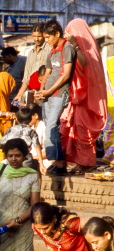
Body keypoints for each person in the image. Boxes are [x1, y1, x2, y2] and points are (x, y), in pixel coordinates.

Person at [60, 18, 108, 174]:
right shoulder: (72, 49)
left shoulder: (89, 52)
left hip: (86, 99)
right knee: (73, 130)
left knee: (83, 131)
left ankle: (88, 162)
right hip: (74, 96)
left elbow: (84, 64)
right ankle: (80, 162)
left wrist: (75, 44)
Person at [35, 20, 76, 176]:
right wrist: (41, 90)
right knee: (49, 127)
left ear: (57, 34)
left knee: (52, 126)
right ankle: (56, 162)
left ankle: (59, 162)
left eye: (47, 37)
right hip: (47, 95)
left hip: (59, 94)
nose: (46, 40)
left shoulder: (67, 49)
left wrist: (49, 91)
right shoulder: (51, 51)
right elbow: (47, 71)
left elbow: (65, 75)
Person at [0, 105, 46, 174]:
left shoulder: (11, 130)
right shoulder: (31, 131)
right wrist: (41, 164)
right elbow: (37, 147)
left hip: (11, 161)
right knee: (35, 165)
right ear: (30, 119)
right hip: (26, 161)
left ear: (17, 119)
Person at [13, 23, 51, 105]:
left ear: (44, 35)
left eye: (39, 36)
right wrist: (19, 95)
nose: (36, 39)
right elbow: (26, 78)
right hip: (32, 93)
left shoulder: (50, 49)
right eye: (34, 36)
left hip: (45, 91)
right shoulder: (30, 53)